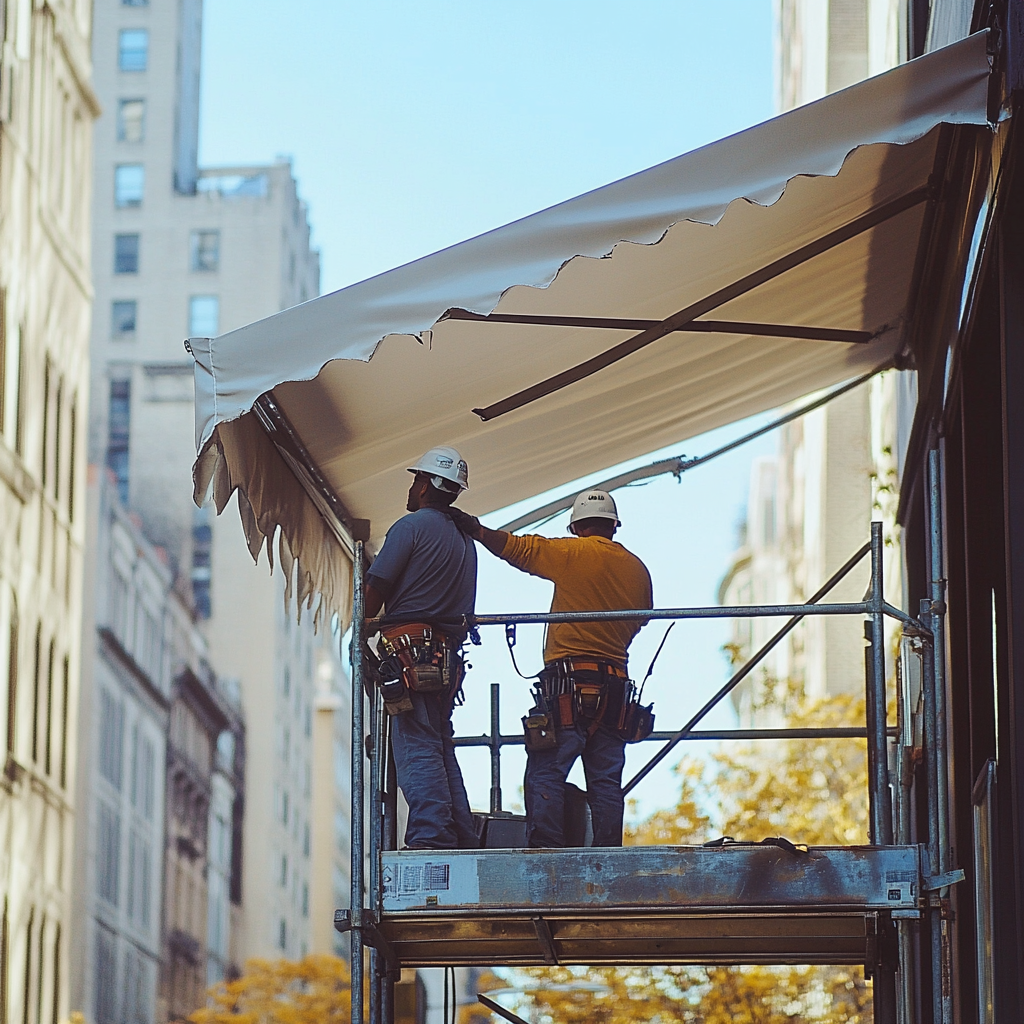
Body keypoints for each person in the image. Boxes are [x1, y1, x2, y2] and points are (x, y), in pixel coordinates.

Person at [449, 490, 652, 848]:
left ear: (576, 525)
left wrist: (478, 531)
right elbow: (642, 619)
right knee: (605, 783)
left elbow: (519, 549)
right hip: (615, 689)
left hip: (568, 685)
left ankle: (546, 852)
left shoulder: (573, 553)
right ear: (614, 526)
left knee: (547, 774)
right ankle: (608, 854)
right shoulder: (638, 570)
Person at [364, 446, 479, 850]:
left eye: (416, 479)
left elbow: (374, 592)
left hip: (410, 654)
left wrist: (357, 623)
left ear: (428, 484)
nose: (411, 487)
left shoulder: (411, 528)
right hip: (443, 658)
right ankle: (460, 834)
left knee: (416, 746)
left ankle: (431, 837)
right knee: (440, 745)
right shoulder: (466, 543)